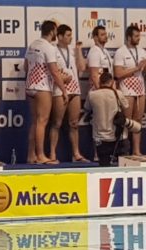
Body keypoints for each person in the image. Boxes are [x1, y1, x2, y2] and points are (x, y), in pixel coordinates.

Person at [25, 20, 68, 164]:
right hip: (42, 87)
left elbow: (26, 67)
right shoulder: (48, 47)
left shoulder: (32, 45)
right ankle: (41, 155)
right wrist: (64, 90)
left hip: (30, 86)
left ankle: (31, 155)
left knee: (35, 122)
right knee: (42, 122)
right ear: (52, 32)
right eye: (56, 31)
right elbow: (54, 72)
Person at [85, 70, 140, 167]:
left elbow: (87, 107)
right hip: (118, 137)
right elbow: (126, 106)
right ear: (111, 82)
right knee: (124, 167)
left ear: (100, 82)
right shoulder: (118, 93)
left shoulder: (92, 94)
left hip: (101, 138)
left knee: (104, 167)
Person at [49, 24, 87, 162]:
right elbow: (51, 70)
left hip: (74, 88)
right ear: (59, 36)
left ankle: (76, 154)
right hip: (60, 89)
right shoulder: (52, 50)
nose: (71, 38)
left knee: (74, 123)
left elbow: (82, 67)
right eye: (68, 35)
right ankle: (52, 154)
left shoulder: (72, 50)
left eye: (71, 35)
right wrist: (61, 79)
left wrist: (79, 50)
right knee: (57, 123)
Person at [114, 24, 146, 157]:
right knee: (126, 121)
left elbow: (144, 73)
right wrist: (136, 68)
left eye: (139, 36)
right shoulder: (120, 52)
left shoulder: (142, 51)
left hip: (140, 89)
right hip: (126, 90)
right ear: (129, 37)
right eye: (136, 36)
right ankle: (124, 151)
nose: (138, 38)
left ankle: (136, 150)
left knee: (138, 121)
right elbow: (118, 74)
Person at [87, 25, 114, 90]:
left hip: (107, 86)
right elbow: (94, 76)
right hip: (98, 88)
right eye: (102, 35)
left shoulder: (105, 51)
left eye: (105, 34)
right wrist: (100, 91)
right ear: (95, 38)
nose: (105, 36)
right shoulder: (94, 52)